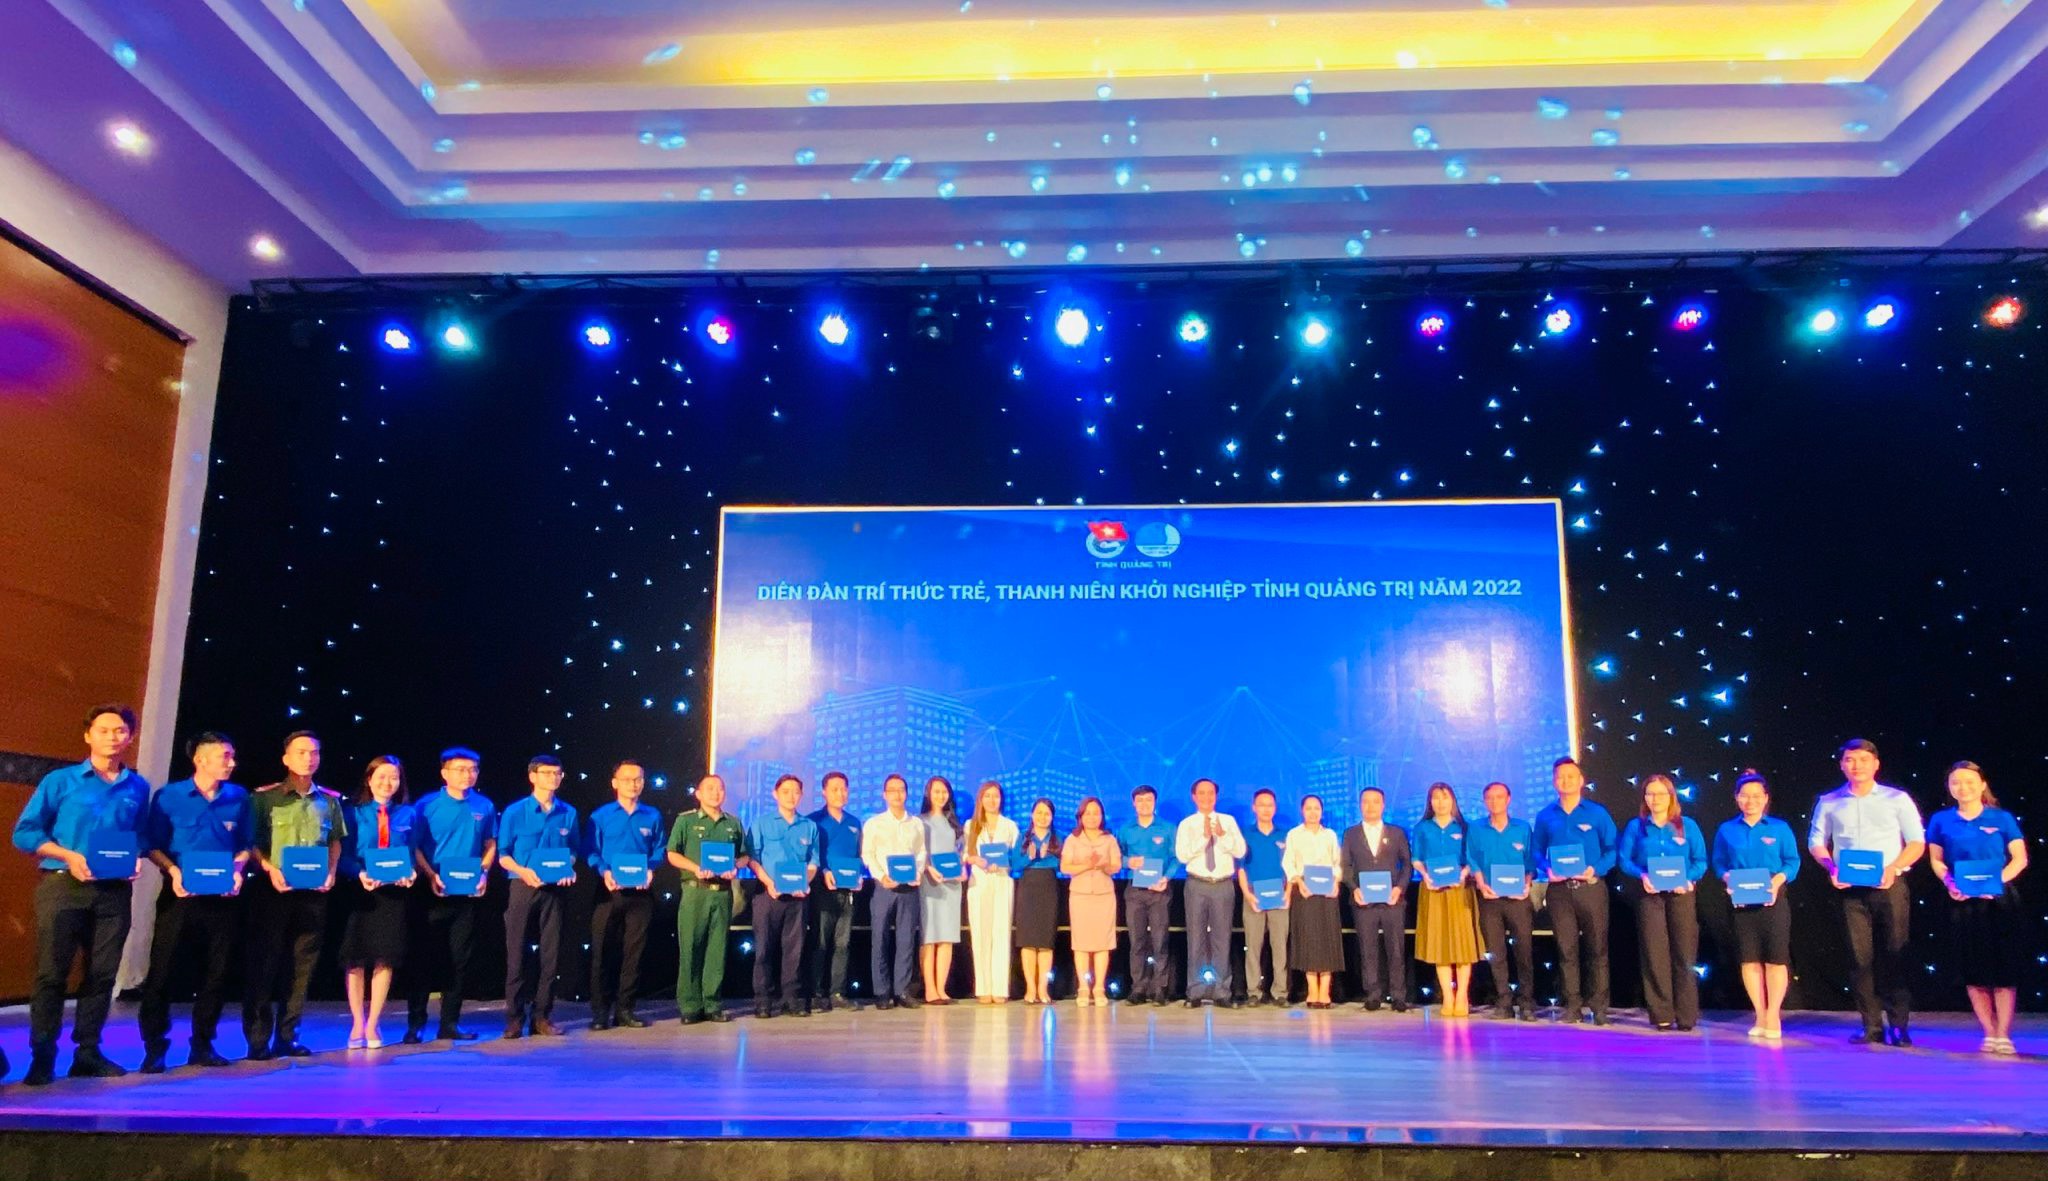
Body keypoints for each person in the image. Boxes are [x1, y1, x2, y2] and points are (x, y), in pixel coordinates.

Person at [12, 704, 151, 1085]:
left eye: (120, 731)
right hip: (63, 886)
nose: (112, 737)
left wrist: (136, 858)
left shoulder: (137, 786)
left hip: (113, 891)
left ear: (130, 737)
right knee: (51, 973)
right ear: (88, 735)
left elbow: (140, 835)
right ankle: (43, 1054)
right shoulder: (61, 781)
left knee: (103, 974)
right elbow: (25, 833)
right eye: (103, 730)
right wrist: (68, 856)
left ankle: (87, 1052)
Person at [138, 731, 254, 1072]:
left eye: (232, 756)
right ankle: (155, 1046)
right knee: (163, 972)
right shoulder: (169, 796)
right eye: (224, 756)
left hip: (222, 899)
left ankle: (203, 1044)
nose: (232, 763)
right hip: (180, 897)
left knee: (216, 974)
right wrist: (173, 871)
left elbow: (246, 844)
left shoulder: (239, 797)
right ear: (200, 760)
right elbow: (152, 844)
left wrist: (237, 870)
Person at [1808, 738, 1925, 1046]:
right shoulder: (1829, 801)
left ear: (1876, 764)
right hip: (1850, 891)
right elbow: (1816, 841)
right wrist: (1831, 867)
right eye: (1850, 760)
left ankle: (1899, 1026)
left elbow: (1916, 842)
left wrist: (1894, 868)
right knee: (1859, 959)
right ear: (1842, 765)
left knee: (1895, 954)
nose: (1856, 765)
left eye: (1862, 759)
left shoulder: (1897, 799)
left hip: (1889, 886)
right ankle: (1871, 1026)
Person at [241, 731, 345, 1060]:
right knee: (264, 963)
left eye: (314, 752)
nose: (308, 758)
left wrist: (331, 872)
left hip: (313, 893)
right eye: (301, 752)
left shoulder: (329, 801)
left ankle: (288, 1036)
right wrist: (269, 867)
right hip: (272, 890)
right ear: (286, 758)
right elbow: (251, 842)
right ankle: (258, 1039)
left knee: (302, 967)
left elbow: (335, 841)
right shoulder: (264, 798)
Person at [1926, 760, 2029, 1054]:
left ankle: (2004, 1033)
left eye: (1970, 781)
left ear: (1982, 785)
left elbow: (2019, 859)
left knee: (2004, 968)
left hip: (1999, 901)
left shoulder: (2002, 818)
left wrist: (1995, 883)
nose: (1963, 787)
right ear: (1949, 787)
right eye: (1956, 782)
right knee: (1973, 968)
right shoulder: (1941, 820)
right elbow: (1936, 860)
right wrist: (1950, 883)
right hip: (1963, 901)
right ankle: (1989, 1032)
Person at [404, 747, 497, 1043]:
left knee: (460, 959)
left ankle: (450, 1023)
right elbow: (414, 847)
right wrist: (430, 875)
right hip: (431, 891)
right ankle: (416, 1024)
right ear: (444, 773)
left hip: (466, 894)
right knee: (424, 958)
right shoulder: (426, 805)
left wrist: (483, 873)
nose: (467, 775)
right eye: (460, 769)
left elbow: (490, 844)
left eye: (472, 769)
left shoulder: (484, 805)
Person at [1710, 770, 1799, 1040]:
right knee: (1749, 960)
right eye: (1745, 795)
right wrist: (1727, 878)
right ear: (1737, 798)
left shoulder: (1779, 828)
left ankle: (1773, 1015)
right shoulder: (1726, 830)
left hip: (1773, 900)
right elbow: (1719, 863)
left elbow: (1792, 862)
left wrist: (1777, 881)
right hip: (1741, 903)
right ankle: (1759, 1014)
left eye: (1757, 796)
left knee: (1775, 959)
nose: (1751, 801)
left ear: (1766, 798)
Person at [497, 755, 581, 1039]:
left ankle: (542, 1016)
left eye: (557, 773)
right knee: (516, 954)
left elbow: (573, 850)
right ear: (532, 776)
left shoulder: (568, 812)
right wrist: (523, 871)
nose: (553, 778)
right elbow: (503, 855)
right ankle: (514, 1018)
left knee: (551, 954)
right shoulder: (515, 811)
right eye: (546, 773)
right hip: (522, 886)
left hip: (555, 890)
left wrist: (567, 868)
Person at [338, 755, 417, 1048]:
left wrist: (410, 873)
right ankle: (357, 1023)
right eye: (381, 776)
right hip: (360, 892)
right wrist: (358, 873)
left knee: (385, 958)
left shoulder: (408, 814)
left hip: (393, 895)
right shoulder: (353, 813)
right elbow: (343, 855)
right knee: (355, 959)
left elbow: (411, 853)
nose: (387, 783)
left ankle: (373, 1024)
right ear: (369, 780)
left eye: (393, 777)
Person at [1618, 774, 1708, 1031]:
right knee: (1654, 954)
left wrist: (1689, 879)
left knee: (1684, 953)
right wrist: (1642, 875)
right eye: (1650, 794)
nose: (1655, 799)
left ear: (1671, 796)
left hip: (1681, 896)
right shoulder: (1636, 827)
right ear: (1644, 798)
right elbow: (1624, 860)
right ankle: (1662, 1014)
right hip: (1650, 897)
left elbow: (1700, 861)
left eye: (1661, 793)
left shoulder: (1687, 826)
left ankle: (1686, 1014)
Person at [1533, 756, 1619, 1024]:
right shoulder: (1545, 815)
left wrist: (1596, 869)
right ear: (1554, 782)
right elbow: (1536, 851)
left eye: (1570, 776)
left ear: (1581, 781)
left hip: (1590, 889)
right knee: (1566, 950)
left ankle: (1600, 1007)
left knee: (1597, 949)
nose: (1565, 781)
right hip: (1559, 892)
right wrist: (1547, 868)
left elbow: (1612, 849)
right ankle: (1572, 1006)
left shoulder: (1597, 813)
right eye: (1560, 777)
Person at [586, 759, 663, 1029]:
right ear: (615, 782)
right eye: (627, 779)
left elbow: (659, 849)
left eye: (638, 779)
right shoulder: (600, 816)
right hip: (609, 892)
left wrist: (651, 868)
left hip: (641, 894)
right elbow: (591, 851)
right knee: (602, 953)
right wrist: (604, 871)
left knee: (634, 954)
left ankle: (625, 1010)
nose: (633, 784)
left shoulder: (652, 816)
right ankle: (599, 1012)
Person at [668, 774, 751, 1024]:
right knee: (691, 948)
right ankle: (690, 1005)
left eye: (720, 789)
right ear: (699, 794)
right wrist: (695, 868)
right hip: (695, 891)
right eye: (710, 788)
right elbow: (672, 853)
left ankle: (712, 1004)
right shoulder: (686, 821)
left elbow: (745, 855)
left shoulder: (733, 823)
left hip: (723, 893)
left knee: (717, 949)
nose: (716, 793)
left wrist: (735, 866)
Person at [748, 774, 818, 1018]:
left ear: (801, 795)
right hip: (768, 895)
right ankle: (763, 1000)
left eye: (796, 792)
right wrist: (769, 884)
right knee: (764, 949)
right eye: (786, 791)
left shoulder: (809, 826)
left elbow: (813, 862)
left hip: (798, 897)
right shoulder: (761, 823)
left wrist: (805, 882)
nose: (791, 796)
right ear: (775, 794)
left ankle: (791, 999)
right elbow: (753, 859)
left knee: (794, 950)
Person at [1466, 781, 1537, 1021]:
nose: (1495, 801)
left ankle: (1526, 1003)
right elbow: (1472, 859)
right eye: (1490, 798)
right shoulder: (1476, 829)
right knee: (1496, 953)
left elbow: (1530, 861)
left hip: (1518, 900)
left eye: (1500, 797)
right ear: (1485, 801)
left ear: (1508, 800)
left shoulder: (1522, 828)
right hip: (1490, 899)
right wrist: (1480, 884)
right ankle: (1504, 1001)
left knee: (1524, 951)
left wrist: (1526, 885)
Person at [1175, 778, 1246, 1007]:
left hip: (1223, 884)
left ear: (1216, 796)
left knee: (1221, 939)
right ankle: (1195, 991)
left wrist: (1222, 835)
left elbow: (1240, 851)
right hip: (1197, 884)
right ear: (1194, 797)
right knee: (1196, 938)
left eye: (1211, 793)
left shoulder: (1228, 821)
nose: (1206, 797)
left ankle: (1221, 991)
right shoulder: (1187, 824)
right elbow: (1182, 855)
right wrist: (1205, 837)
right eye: (1202, 793)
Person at [1412, 782, 1480, 1017]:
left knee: (1463, 945)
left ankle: (1462, 996)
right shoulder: (1422, 828)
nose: (1440, 803)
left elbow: (1472, 858)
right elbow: (1416, 858)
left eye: (1445, 797)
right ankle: (1448, 997)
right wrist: (1425, 875)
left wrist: (1462, 875)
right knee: (1440, 945)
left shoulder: (1465, 827)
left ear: (1453, 800)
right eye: (1436, 798)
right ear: (1430, 802)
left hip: (1460, 890)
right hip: (1432, 890)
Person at [1341, 786, 1412, 1012]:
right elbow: (1345, 866)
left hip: (1392, 901)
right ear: (1360, 805)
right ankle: (1373, 994)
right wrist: (1354, 889)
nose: (1370, 806)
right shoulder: (1351, 834)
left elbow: (1407, 865)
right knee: (1367, 949)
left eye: (1375, 801)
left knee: (1396, 949)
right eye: (1366, 801)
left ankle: (1398, 995)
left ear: (1383, 805)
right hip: (1364, 901)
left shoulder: (1397, 833)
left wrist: (1399, 888)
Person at [859, 773, 927, 1009]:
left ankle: (902, 990)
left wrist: (918, 872)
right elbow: (868, 854)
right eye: (892, 790)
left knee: (906, 940)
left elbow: (921, 852)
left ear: (906, 793)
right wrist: (881, 876)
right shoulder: (874, 823)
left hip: (909, 888)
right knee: (880, 938)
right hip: (883, 887)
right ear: (884, 794)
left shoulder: (916, 823)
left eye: (901, 790)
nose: (897, 794)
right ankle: (881, 992)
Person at [1115, 784, 1178, 1005]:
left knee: (1160, 940)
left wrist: (1166, 878)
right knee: (1137, 942)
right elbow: (1116, 856)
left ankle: (1160, 988)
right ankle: (1138, 988)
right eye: (1140, 800)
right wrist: (1127, 862)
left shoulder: (1168, 828)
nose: (1144, 804)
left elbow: (1176, 858)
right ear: (1134, 803)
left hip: (1160, 891)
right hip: (1135, 891)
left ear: (1154, 802)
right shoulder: (1125, 829)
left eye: (1148, 800)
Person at [807, 771, 863, 1011]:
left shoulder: (854, 823)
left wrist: (859, 875)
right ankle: (816, 992)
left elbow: (858, 856)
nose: (840, 793)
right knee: (819, 943)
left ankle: (837, 992)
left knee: (843, 943)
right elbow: (810, 855)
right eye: (834, 789)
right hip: (822, 890)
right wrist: (824, 871)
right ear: (824, 792)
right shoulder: (813, 821)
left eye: (844, 789)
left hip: (847, 891)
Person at [1283, 795, 1344, 1009]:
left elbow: (1338, 862)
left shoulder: (1330, 835)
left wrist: (1336, 882)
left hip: (1327, 892)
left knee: (1327, 939)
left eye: (1316, 808)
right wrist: (1299, 881)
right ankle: (1312, 990)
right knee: (1308, 939)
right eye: (1308, 808)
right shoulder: (1294, 834)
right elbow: (1289, 862)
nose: (1312, 812)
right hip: (1305, 891)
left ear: (1322, 811)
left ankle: (1325, 991)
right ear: (1302, 811)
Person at [1061, 797, 1122, 1005]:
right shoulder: (1073, 839)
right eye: (1088, 813)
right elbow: (1065, 867)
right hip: (1080, 895)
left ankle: (1099, 988)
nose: (1092, 817)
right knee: (1081, 944)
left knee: (1103, 943)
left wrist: (1104, 865)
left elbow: (1116, 866)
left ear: (1102, 816)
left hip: (1104, 895)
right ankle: (1083, 988)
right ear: (1080, 816)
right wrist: (1087, 865)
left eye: (1096, 813)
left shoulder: (1109, 839)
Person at [963, 780, 1019, 1004]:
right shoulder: (971, 825)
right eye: (987, 796)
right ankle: (983, 987)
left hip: (1002, 881)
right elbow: (965, 854)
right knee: (980, 934)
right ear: (981, 799)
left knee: (1001, 933)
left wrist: (1005, 862)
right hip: (980, 882)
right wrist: (975, 859)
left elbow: (1016, 856)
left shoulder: (1010, 826)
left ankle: (1000, 988)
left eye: (995, 796)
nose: (992, 800)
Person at [1237, 788, 1292, 1006]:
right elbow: (1240, 868)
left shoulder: (1285, 835)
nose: (1266, 809)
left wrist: (1288, 893)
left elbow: (1292, 868)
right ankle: (1254, 991)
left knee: (1280, 946)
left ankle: (1280, 992)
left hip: (1280, 895)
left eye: (1269, 805)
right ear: (1254, 807)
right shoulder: (1245, 834)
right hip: (1254, 895)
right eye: (1261, 805)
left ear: (1275, 808)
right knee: (1253, 946)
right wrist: (1248, 895)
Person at [918, 776, 966, 1004]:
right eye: (936, 791)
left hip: (952, 885)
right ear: (928, 794)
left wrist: (963, 869)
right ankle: (929, 989)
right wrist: (928, 868)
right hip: (929, 882)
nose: (940, 795)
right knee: (929, 936)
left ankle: (941, 988)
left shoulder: (954, 822)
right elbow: (918, 851)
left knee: (947, 936)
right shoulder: (920, 821)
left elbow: (961, 852)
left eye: (944, 792)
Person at [1012, 798, 1062, 1004]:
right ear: (1032, 815)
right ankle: (1030, 988)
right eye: (1039, 813)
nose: (1042, 817)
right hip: (1028, 887)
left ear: (1052, 817)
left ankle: (1043, 988)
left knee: (1045, 942)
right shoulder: (1023, 837)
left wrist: (1046, 856)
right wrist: (1030, 857)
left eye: (1047, 813)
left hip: (1048, 886)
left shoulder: (1058, 838)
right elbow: (1015, 864)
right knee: (1028, 941)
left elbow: (1064, 864)